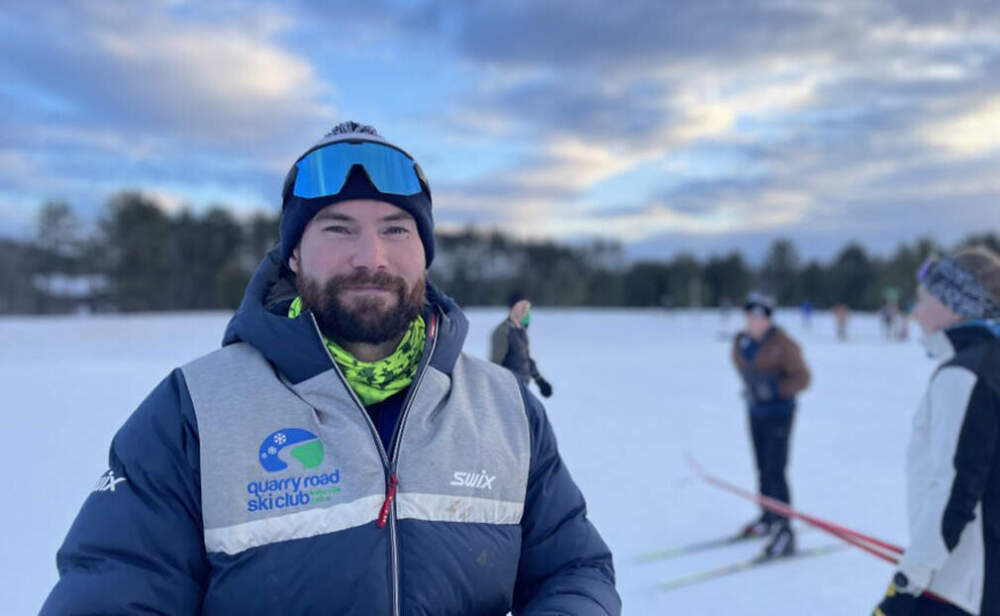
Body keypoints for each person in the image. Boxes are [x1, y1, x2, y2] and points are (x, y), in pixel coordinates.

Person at [41, 122, 620, 615]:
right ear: (292, 255)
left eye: (396, 229)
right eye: (338, 228)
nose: (371, 257)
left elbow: (576, 570)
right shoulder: (193, 411)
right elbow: (109, 594)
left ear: (424, 252)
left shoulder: (505, 408)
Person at [873, 247, 1000, 616]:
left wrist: (907, 583)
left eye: (923, 300)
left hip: (959, 588)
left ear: (955, 305)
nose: (914, 312)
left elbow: (953, 489)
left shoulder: (964, 374)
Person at [731, 291, 811, 557]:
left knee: (777, 469)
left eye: (758, 317)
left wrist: (776, 388)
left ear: (767, 319)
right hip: (755, 413)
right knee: (762, 467)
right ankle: (768, 516)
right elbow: (740, 363)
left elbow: (803, 378)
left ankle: (785, 530)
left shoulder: (783, 344)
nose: (753, 321)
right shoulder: (742, 342)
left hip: (779, 414)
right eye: (749, 316)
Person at [489, 293, 553, 398]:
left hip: (523, 389)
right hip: (509, 391)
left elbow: (525, 358)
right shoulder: (502, 332)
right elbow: (495, 366)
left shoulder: (521, 331)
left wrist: (539, 380)